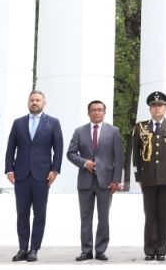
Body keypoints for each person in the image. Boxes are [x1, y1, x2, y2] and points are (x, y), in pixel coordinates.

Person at [5, 90, 64, 262]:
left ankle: (34, 249)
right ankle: (23, 248)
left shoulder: (53, 123)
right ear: (28, 102)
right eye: (32, 100)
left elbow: (58, 150)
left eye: (38, 100)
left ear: (44, 103)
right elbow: (10, 148)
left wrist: (55, 170)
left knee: (39, 213)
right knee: (21, 213)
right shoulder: (18, 123)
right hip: (21, 175)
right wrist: (9, 169)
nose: (34, 103)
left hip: (42, 175)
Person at [132, 91, 166, 262]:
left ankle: (161, 250)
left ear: (165, 108)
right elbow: (135, 154)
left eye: (160, 105)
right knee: (150, 214)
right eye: (154, 106)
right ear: (149, 109)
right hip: (147, 176)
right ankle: (149, 249)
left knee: (164, 214)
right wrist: (137, 176)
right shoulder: (140, 127)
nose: (157, 108)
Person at [68, 99, 123, 261]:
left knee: (103, 217)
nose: (96, 112)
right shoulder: (79, 131)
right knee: (85, 218)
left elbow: (119, 158)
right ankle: (86, 250)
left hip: (106, 182)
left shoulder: (113, 131)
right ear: (88, 113)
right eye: (93, 110)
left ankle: (100, 250)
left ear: (104, 112)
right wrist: (85, 163)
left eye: (100, 110)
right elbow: (70, 153)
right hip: (85, 181)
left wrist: (116, 181)